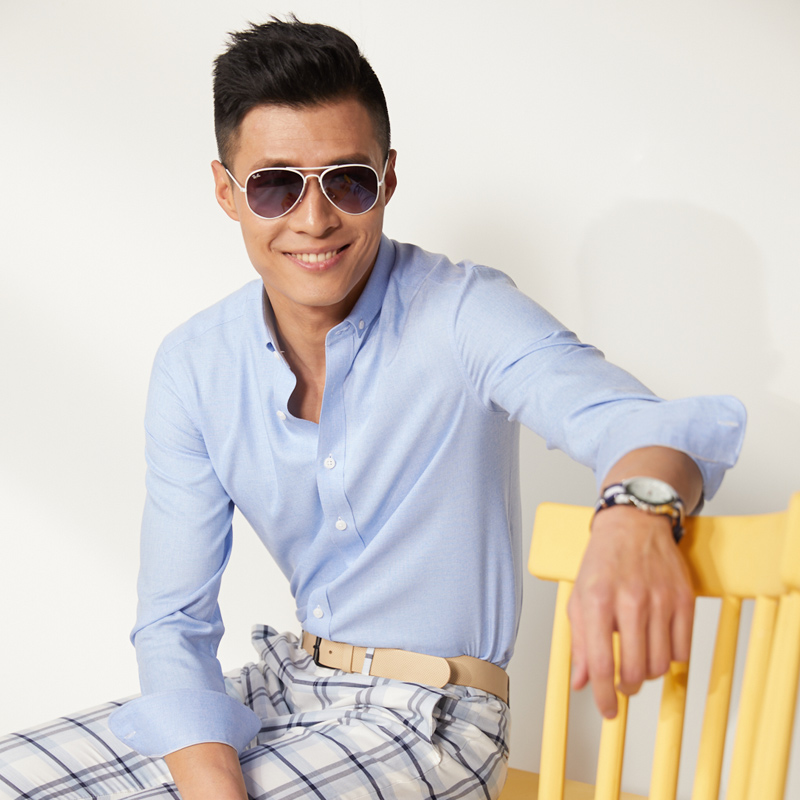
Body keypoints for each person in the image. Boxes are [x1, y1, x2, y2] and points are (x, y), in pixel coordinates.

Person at [0, 16, 745, 800]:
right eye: (276, 185)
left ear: (388, 179)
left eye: (347, 181)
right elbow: (173, 625)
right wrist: (211, 784)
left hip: (434, 720)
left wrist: (635, 513)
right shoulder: (196, 365)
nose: (314, 219)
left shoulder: (463, 313)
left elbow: (640, 424)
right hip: (281, 688)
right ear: (227, 192)